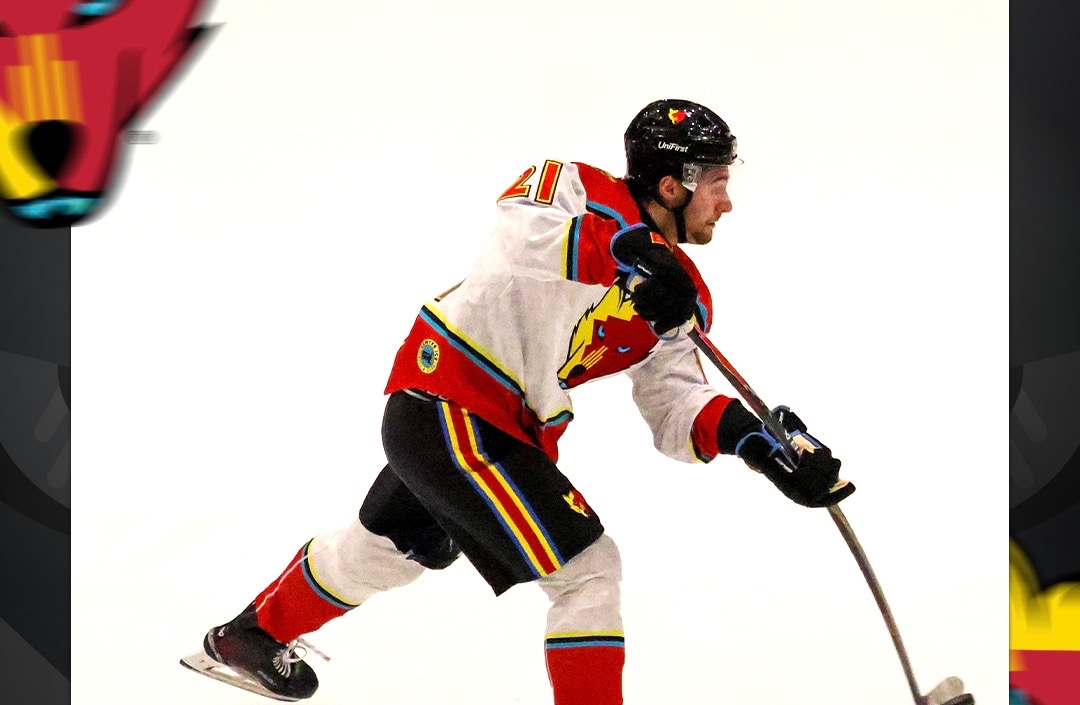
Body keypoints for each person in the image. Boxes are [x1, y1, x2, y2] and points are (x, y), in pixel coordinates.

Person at [180, 98, 854, 704]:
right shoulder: (572, 187)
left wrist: (754, 440)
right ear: (673, 185)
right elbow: (524, 239)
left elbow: (675, 406)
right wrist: (631, 255)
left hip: (485, 424)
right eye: (718, 183)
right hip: (453, 397)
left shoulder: (682, 295)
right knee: (589, 572)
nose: (726, 202)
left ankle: (247, 637)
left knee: (388, 550)